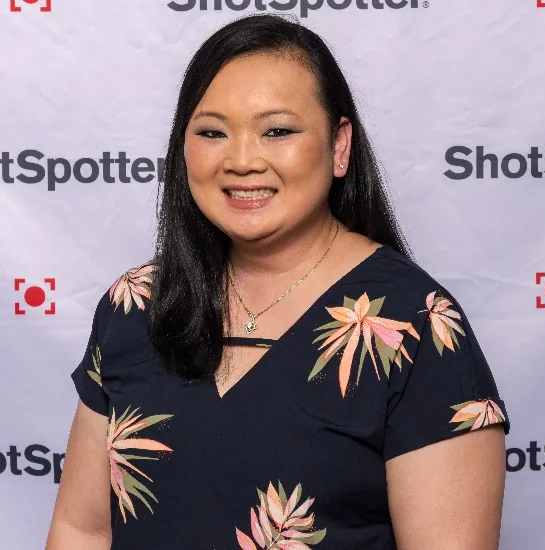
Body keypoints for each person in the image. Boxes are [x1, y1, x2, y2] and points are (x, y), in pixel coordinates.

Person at [46, 13, 510, 550]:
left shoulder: (417, 326)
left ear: (340, 147)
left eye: (278, 131)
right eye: (212, 132)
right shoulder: (134, 306)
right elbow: (83, 529)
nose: (242, 161)